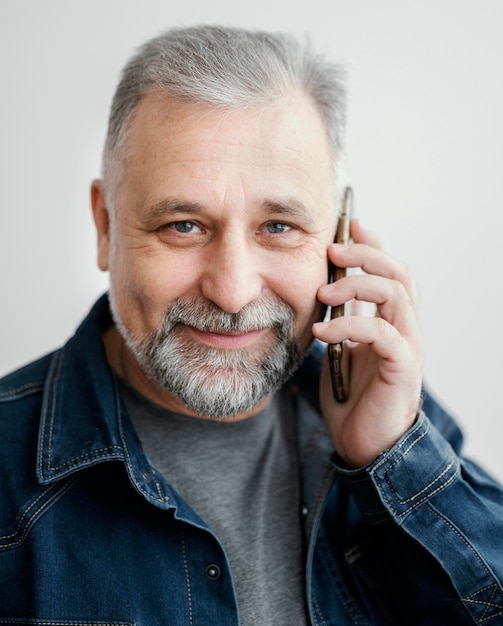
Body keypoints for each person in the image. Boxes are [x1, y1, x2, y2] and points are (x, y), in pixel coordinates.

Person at [0, 25, 501, 625]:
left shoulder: (391, 418)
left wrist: (391, 457)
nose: (233, 292)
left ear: (338, 238)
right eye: (183, 225)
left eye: (280, 226)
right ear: (106, 225)